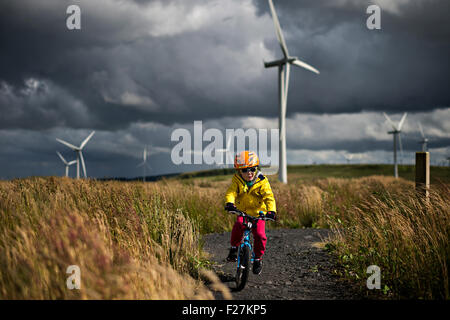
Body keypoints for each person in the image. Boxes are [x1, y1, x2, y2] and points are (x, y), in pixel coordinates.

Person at [224, 151, 277, 275]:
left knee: (260, 235)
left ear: (256, 168)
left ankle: (258, 258)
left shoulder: (262, 181)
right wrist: (230, 203)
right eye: (245, 170)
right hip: (242, 212)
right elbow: (231, 193)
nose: (249, 173)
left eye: (252, 169)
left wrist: (271, 211)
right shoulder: (236, 180)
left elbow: (269, 197)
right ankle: (234, 248)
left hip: (259, 214)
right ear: (239, 171)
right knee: (238, 226)